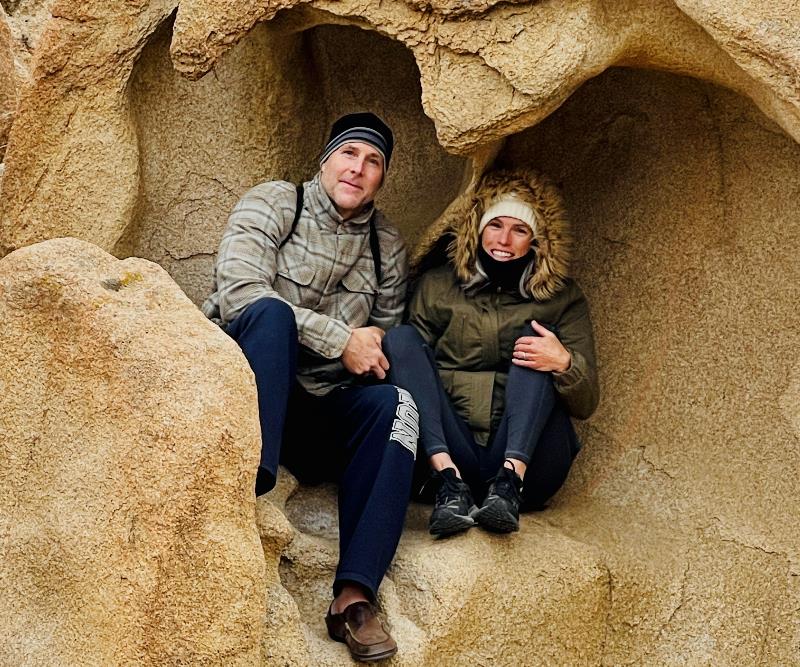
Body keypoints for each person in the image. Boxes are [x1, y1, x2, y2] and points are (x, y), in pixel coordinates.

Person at [202, 112, 417, 662]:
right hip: (246, 391)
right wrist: (340, 337)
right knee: (271, 315)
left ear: (381, 179)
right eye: (349, 154)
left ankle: (354, 598)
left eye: (373, 163)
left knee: (397, 406)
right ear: (326, 159)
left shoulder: (386, 245)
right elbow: (239, 292)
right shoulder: (277, 202)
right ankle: (249, 491)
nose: (358, 169)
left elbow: (382, 341)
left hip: (321, 408)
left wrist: (362, 351)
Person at [383, 168, 598, 537]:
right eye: (495, 225)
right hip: (451, 449)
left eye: (519, 230)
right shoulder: (438, 285)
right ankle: (448, 483)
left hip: (528, 463)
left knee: (537, 344)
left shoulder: (563, 298)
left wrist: (564, 363)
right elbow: (409, 372)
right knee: (400, 340)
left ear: (536, 240)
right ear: (477, 229)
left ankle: (508, 484)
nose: (504, 239)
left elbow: (587, 401)